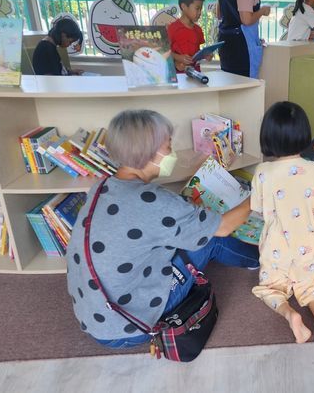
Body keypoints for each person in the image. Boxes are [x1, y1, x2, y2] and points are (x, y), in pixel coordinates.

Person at [66, 110, 259, 348]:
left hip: (94, 316)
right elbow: (223, 227)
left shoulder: (102, 186)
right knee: (211, 239)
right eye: (168, 146)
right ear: (152, 152)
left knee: (191, 229)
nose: (172, 153)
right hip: (129, 327)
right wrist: (256, 196)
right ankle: (262, 259)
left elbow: (149, 220)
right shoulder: (155, 202)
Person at [250, 101, 314, 370]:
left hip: (276, 250)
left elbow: (257, 211)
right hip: (309, 249)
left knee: (269, 288)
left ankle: (290, 314)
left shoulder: (262, 172)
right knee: (312, 289)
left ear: (267, 137)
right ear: (304, 135)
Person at [167, 0, 210, 73]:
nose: (200, 13)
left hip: (196, 74)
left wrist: (205, 55)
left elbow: (196, 53)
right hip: (178, 77)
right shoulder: (172, 29)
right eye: (197, 8)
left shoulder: (198, 30)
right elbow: (163, 52)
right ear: (184, 7)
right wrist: (178, 58)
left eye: (201, 9)